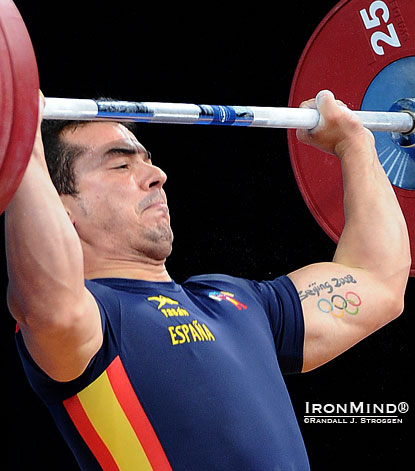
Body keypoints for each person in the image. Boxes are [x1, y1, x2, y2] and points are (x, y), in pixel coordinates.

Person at [6, 90, 410, 470]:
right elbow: (47, 301)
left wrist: (354, 143)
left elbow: (378, 280)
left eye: (148, 160)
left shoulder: (241, 301)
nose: (157, 175)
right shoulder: (92, 324)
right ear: (61, 209)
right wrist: (24, 141)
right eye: (121, 164)